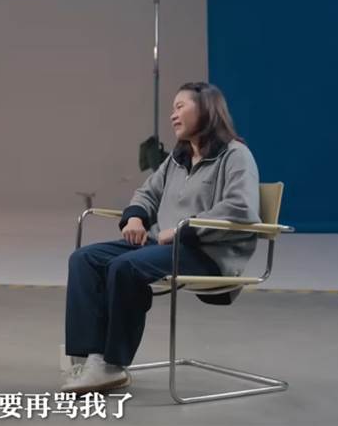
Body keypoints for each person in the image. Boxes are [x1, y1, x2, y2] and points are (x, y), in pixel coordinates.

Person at [62, 82, 260, 394]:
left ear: (206, 109)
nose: (173, 115)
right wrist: (136, 217)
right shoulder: (178, 158)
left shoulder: (236, 155)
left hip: (206, 253)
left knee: (125, 266)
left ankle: (113, 365)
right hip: (162, 248)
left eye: (181, 106)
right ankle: (89, 358)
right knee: (84, 259)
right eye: (172, 108)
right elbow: (148, 193)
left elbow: (240, 208)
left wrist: (183, 228)